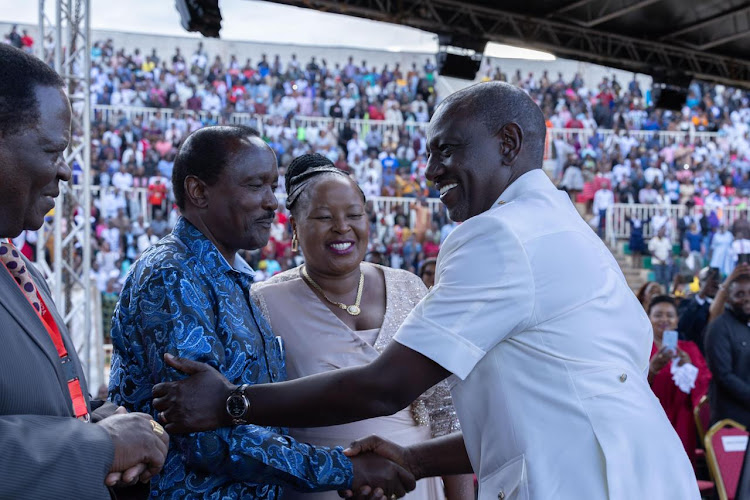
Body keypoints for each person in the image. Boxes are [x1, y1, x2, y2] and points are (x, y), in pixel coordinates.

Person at [153, 82, 699, 499]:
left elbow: (385, 388)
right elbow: (524, 417)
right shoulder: (562, 224)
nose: (431, 170)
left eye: (447, 151)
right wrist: (414, 463)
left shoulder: (497, 234)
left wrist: (231, 402)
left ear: (507, 143)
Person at [108, 126, 414, 499]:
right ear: (199, 191)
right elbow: (205, 438)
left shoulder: (231, 276)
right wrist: (344, 469)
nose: (272, 202)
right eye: (256, 186)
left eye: (273, 186)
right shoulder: (173, 275)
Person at [250, 153, 473, 500]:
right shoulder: (264, 303)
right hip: (324, 489)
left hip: (417, 486)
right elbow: (260, 425)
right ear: (294, 227)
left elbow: (445, 411)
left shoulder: (409, 287)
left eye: (354, 215)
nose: (342, 227)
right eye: (324, 217)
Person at [0, 43, 168, 498]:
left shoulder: (23, 273)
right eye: (53, 151)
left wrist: (89, 417)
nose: (67, 172)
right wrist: (96, 445)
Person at [647, 296, 711, 462]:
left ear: (676, 321)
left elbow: (705, 384)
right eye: (658, 315)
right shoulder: (642, 350)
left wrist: (690, 368)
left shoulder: (689, 348)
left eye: (669, 315)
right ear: (648, 318)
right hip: (652, 419)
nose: (664, 319)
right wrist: (652, 370)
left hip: (683, 420)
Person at [704, 274, 750, 428]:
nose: (746, 298)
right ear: (728, 299)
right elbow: (724, 375)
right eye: (740, 294)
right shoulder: (719, 327)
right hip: (732, 420)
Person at [677, 267, 719, 353]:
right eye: (706, 280)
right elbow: (682, 325)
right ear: (699, 284)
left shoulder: (727, 304)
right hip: (695, 353)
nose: (710, 283)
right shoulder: (688, 302)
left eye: (715, 280)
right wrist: (702, 295)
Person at [649, 226, 673, 291]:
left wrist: (667, 259)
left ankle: (667, 293)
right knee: (658, 278)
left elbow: (669, 251)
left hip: (666, 262)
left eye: (663, 232)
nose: (662, 233)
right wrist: (660, 259)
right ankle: (657, 292)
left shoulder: (666, 240)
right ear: (658, 232)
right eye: (661, 231)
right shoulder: (653, 240)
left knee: (667, 278)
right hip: (657, 262)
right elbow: (652, 252)